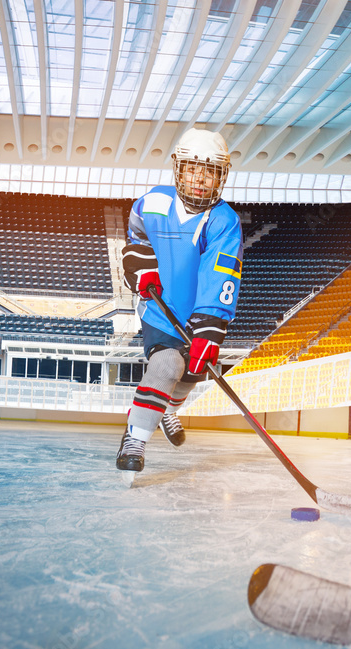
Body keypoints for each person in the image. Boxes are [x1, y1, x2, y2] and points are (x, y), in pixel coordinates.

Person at [116, 128, 243, 473]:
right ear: (179, 168)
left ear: (221, 176)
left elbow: (223, 273)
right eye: (193, 168)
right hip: (159, 310)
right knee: (167, 366)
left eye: (210, 171)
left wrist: (210, 326)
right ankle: (135, 439)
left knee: (191, 375)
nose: (200, 179)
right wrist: (139, 265)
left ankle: (169, 409)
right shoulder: (152, 202)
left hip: (198, 314)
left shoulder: (224, 220)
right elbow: (136, 239)